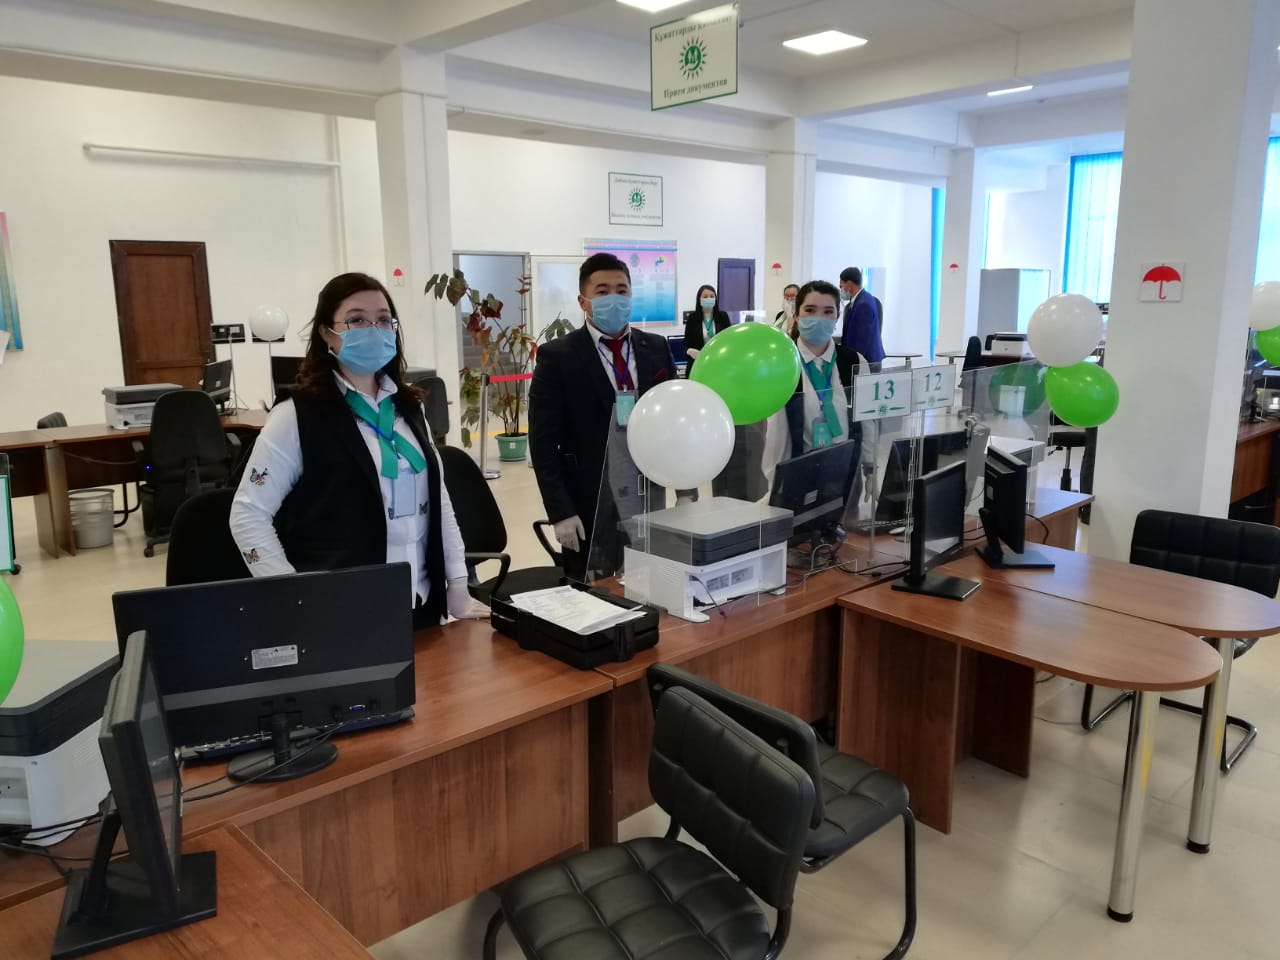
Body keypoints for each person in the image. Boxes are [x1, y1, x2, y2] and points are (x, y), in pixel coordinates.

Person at [228, 272, 487, 629]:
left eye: (383, 320)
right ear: (326, 334)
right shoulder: (297, 416)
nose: (373, 330)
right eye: (357, 320)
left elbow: (439, 500)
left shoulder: (409, 407)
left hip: (421, 603)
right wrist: (295, 596)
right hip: (340, 613)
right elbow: (247, 516)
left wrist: (457, 583)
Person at [528, 252, 676, 581]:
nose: (614, 298)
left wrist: (685, 489)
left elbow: (674, 422)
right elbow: (542, 442)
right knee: (593, 594)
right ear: (583, 302)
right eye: (603, 291)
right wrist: (560, 511)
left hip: (647, 492)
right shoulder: (558, 357)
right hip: (588, 501)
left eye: (622, 290)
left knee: (649, 584)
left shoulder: (655, 347)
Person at [764, 280, 872, 502]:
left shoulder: (854, 361)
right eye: (810, 310)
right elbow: (776, 436)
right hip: (799, 477)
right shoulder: (783, 364)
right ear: (797, 314)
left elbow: (867, 420)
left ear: (837, 317)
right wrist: (775, 488)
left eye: (828, 311)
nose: (819, 318)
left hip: (845, 475)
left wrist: (870, 467)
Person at [839, 267, 885, 368]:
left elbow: (862, 340)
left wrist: (852, 364)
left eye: (841, 286)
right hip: (864, 361)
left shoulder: (863, 304)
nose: (841, 290)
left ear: (849, 284)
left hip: (866, 363)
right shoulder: (860, 300)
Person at [682, 284, 731, 367]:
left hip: (719, 362)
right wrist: (689, 351)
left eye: (712, 296)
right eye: (705, 297)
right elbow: (685, 345)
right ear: (699, 299)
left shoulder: (723, 316)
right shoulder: (692, 318)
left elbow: (729, 340)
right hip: (698, 363)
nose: (709, 299)